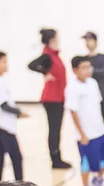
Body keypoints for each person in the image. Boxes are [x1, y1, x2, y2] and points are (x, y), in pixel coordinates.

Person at [69, 55, 104, 186]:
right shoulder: (72, 88)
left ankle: (98, 181)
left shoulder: (93, 83)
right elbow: (73, 111)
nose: (88, 70)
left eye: (89, 67)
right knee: (86, 163)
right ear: (75, 70)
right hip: (86, 134)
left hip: (100, 130)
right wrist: (82, 133)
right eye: (84, 67)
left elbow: (97, 106)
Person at [35, 29, 74, 169]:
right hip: (52, 99)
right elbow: (32, 65)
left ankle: (57, 157)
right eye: (56, 40)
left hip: (58, 97)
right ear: (51, 41)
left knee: (56, 129)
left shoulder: (54, 55)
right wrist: (45, 73)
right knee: (54, 129)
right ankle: (55, 159)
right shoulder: (47, 55)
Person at [0, 50, 28, 182]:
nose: (6, 64)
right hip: (2, 126)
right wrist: (19, 112)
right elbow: (3, 105)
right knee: (16, 157)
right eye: (3, 62)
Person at [84, 32, 104, 139]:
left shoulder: (102, 57)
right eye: (86, 41)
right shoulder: (84, 59)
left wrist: (91, 71)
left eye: (90, 40)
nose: (88, 43)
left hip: (102, 95)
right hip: (89, 97)